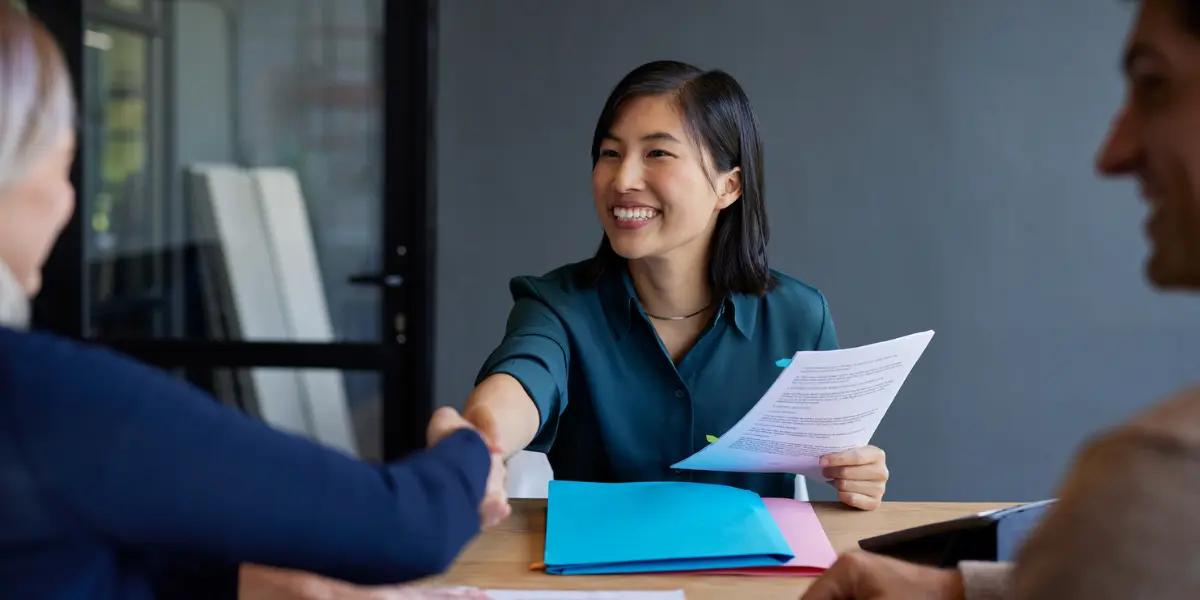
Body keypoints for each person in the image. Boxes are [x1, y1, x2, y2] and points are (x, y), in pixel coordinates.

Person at [0, 5, 508, 598]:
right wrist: (466, 448)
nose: (67, 201)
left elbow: (69, 564)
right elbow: (409, 526)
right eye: (63, 166)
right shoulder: (40, 397)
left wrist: (281, 587)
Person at [802, 0, 1200, 597]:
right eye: (607, 150)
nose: (1112, 153)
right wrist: (955, 593)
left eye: (1154, 84)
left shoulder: (1159, 481)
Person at [430, 60, 889, 508]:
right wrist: (480, 439)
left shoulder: (799, 318)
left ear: (728, 187)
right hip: (602, 578)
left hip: (749, 578)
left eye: (657, 153)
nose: (623, 179)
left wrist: (858, 475)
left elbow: (842, 461)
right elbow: (522, 380)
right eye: (610, 153)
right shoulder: (558, 306)